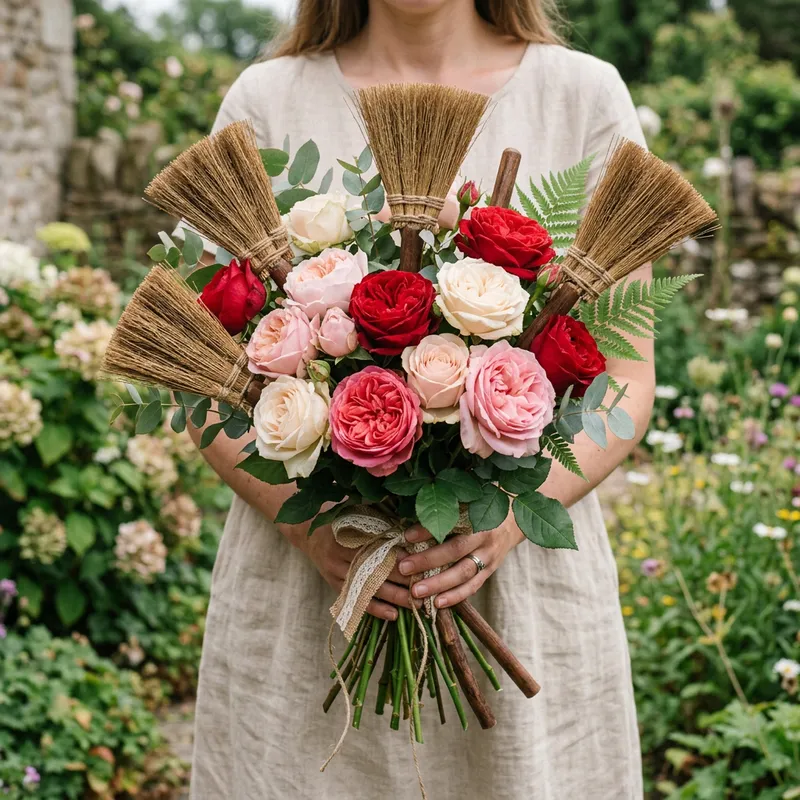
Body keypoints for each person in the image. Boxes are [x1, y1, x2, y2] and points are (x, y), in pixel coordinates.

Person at [186, 1, 654, 798]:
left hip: (519, 589)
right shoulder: (267, 102)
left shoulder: (583, 96)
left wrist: (506, 526)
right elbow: (203, 380)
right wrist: (317, 541)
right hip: (307, 598)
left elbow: (627, 382)